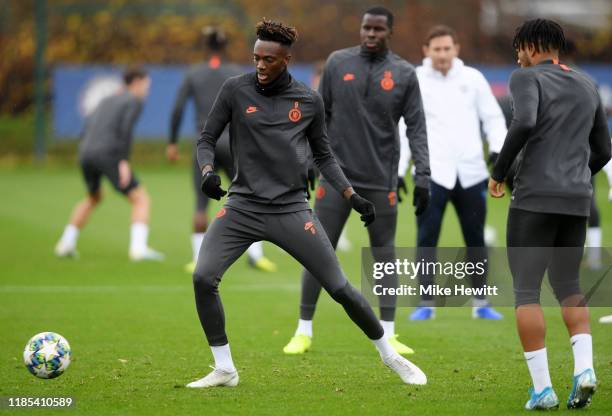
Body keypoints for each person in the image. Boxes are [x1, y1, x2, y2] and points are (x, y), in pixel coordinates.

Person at [187, 19, 427, 388]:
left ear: (285, 60)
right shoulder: (235, 90)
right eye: (256, 58)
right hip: (242, 207)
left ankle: (390, 355)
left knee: (340, 288)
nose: (260, 66)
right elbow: (206, 138)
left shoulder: (308, 100)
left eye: (269, 59)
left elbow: (325, 157)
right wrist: (207, 171)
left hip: (291, 210)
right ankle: (224, 368)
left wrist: (352, 196)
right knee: (203, 277)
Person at [283, 5, 430, 356]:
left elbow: (417, 128)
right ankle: (303, 330)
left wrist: (422, 174)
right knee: (319, 251)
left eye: (378, 29)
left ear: (389, 32)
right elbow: (317, 115)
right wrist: (306, 159)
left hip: (381, 180)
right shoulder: (337, 63)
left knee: (384, 257)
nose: (370, 34)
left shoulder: (404, 74)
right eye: (366, 28)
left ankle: (390, 333)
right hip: (336, 178)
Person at [489, 19, 610, 410]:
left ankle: (543, 391)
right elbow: (604, 150)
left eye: (518, 47)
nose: (517, 56)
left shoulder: (525, 79)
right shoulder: (588, 84)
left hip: (534, 199)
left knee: (526, 291)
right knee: (570, 287)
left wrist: (499, 172)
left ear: (531, 45)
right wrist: (574, 179)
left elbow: (523, 121)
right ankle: (584, 369)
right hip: (576, 201)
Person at [408, 25, 506, 321]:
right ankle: (426, 302)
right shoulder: (414, 79)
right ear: (426, 50)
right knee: (426, 237)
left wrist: (498, 150)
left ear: (456, 49)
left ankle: (481, 302)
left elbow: (493, 117)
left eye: (447, 48)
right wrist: (400, 169)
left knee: (475, 237)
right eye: (436, 49)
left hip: (471, 171)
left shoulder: (473, 78)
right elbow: (403, 126)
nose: (442, 54)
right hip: (430, 173)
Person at [167, 26, 277, 273]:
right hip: (233, 143)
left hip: (205, 145)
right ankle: (256, 255)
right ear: (225, 47)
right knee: (249, 197)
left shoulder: (193, 74)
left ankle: (198, 258)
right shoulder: (236, 73)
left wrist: (172, 143)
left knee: (200, 202)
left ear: (205, 47)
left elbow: (177, 110)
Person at [55, 67, 163, 261]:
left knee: (93, 197)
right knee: (140, 198)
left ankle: (66, 243)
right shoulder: (134, 101)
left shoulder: (106, 100)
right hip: (108, 154)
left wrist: (85, 150)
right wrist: (123, 161)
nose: (147, 89)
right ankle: (138, 249)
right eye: (147, 85)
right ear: (137, 82)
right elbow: (125, 131)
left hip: (86, 152)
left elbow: (87, 127)